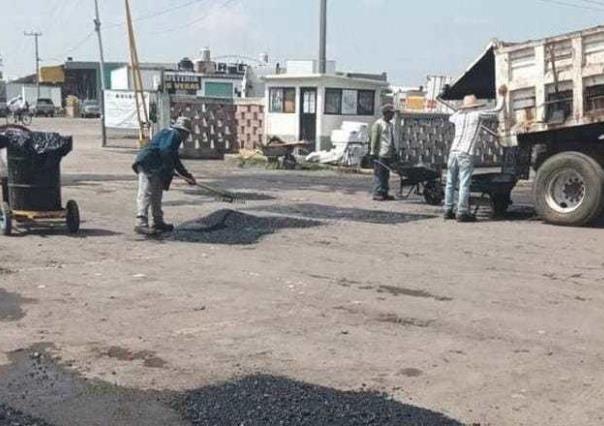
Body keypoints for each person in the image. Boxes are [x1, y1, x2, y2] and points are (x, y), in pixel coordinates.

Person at [444, 85, 508, 222]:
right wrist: (502, 96)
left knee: (450, 182)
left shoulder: (458, 117)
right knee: (464, 183)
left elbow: (451, 117)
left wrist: (460, 110)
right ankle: (462, 212)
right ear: (475, 106)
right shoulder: (477, 115)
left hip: (453, 151)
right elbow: (497, 110)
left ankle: (447, 210)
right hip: (465, 152)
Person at [132, 116, 197, 234]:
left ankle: (158, 221)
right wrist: (169, 167)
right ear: (184, 131)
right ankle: (141, 222)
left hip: (156, 166)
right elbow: (165, 150)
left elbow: (175, 159)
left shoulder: (173, 136)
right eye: (187, 134)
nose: (187, 137)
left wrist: (187, 176)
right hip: (148, 163)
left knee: (156, 193)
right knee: (146, 192)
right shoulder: (174, 134)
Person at [370, 104, 397, 201]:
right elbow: (374, 138)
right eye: (391, 113)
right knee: (379, 173)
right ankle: (377, 192)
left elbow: (391, 139)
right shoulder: (378, 124)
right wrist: (373, 152)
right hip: (380, 153)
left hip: (388, 153)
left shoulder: (390, 125)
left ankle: (384, 192)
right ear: (386, 113)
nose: (393, 115)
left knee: (386, 174)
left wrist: (394, 150)